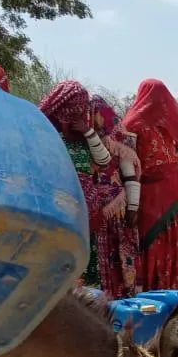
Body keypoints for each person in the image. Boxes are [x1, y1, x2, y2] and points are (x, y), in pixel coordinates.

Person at [38, 80, 115, 289]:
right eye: (75, 109)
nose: (79, 114)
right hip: (59, 214)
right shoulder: (46, 134)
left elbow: (104, 161)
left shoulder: (84, 137)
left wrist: (88, 132)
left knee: (85, 265)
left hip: (86, 216)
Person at [122, 79, 178, 290]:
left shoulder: (133, 124)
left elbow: (129, 165)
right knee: (162, 239)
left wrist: (131, 205)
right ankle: (168, 288)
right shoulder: (164, 125)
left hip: (157, 194)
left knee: (157, 240)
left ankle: (156, 290)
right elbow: (176, 154)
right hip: (165, 192)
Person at [86, 94, 142, 298]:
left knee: (119, 256)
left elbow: (130, 176)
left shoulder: (119, 142)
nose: (97, 119)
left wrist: (133, 207)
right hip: (94, 208)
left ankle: (120, 298)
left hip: (116, 210)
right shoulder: (82, 140)